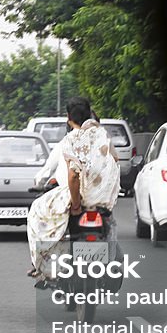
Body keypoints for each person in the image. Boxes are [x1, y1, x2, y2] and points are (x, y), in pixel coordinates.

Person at [26, 96, 119, 281]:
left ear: (69, 117)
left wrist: (76, 204)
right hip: (103, 200)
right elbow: (115, 162)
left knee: (37, 210)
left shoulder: (71, 140)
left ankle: (42, 265)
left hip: (78, 197)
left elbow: (73, 176)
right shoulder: (104, 136)